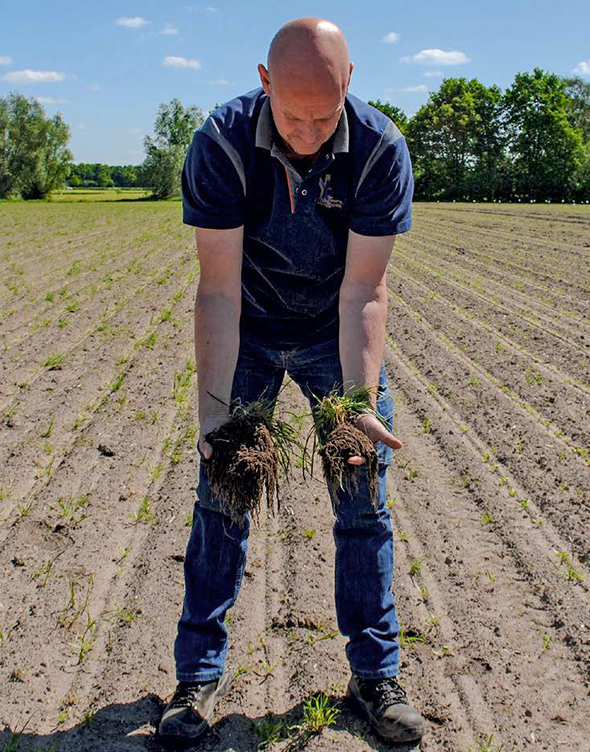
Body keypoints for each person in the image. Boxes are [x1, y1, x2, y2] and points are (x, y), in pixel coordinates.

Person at [156, 17, 424, 745]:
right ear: (265, 81)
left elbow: (363, 292)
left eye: (324, 115)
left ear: (350, 84)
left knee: (363, 497)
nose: (307, 135)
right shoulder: (221, 143)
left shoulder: (379, 150)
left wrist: (359, 404)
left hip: (332, 332)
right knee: (221, 496)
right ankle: (196, 679)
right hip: (247, 325)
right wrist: (214, 414)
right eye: (291, 116)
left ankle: (374, 677)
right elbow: (216, 288)